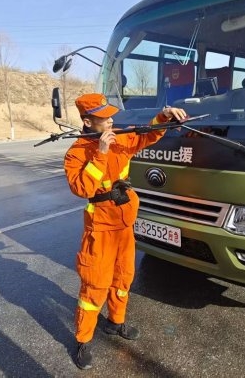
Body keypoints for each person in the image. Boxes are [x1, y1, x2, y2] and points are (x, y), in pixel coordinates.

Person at [63, 93, 187, 370]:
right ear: (87, 122)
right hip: (100, 228)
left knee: (123, 277)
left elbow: (147, 135)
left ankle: (115, 322)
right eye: (103, 118)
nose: (110, 121)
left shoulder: (121, 136)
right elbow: (82, 188)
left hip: (125, 224)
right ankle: (83, 340)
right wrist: (101, 153)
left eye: (110, 115)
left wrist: (164, 117)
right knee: (95, 285)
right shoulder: (76, 153)